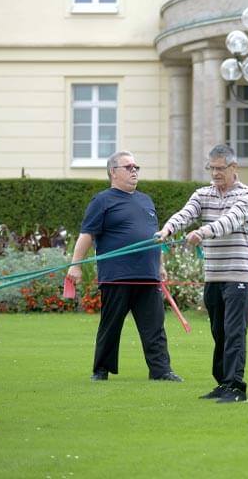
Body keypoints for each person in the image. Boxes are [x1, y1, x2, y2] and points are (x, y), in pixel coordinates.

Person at [66, 151, 182, 383]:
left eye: (136, 167)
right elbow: (87, 234)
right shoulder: (102, 200)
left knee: (154, 327)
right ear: (113, 172)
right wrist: (76, 265)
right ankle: (101, 371)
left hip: (147, 274)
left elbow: (155, 237)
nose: (134, 171)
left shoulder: (145, 200)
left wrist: (160, 265)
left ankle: (161, 370)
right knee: (111, 325)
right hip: (117, 275)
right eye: (128, 167)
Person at [159, 144, 248, 404]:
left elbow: (231, 221)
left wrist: (203, 232)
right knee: (219, 332)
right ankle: (223, 383)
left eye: (220, 168)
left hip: (237, 274)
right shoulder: (202, 194)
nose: (215, 173)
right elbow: (186, 214)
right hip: (212, 275)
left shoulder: (247, 195)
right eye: (211, 168)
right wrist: (167, 230)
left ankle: (236, 388)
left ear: (234, 167)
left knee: (234, 331)